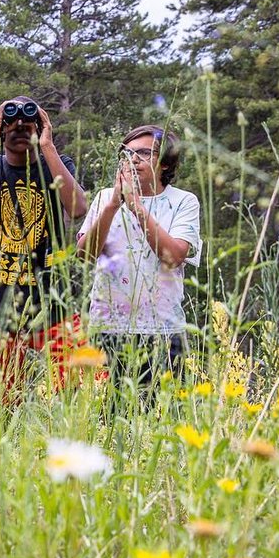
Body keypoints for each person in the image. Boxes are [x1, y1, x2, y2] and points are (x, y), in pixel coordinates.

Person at [0, 96, 89, 392]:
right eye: (12, 123)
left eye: (28, 123)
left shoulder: (56, 166)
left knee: (73, 393)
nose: (20, 127)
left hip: (53, 303)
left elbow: (78, 208)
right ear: (2, 128)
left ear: (40, 126)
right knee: (2, 400)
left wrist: (47, 145)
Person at [76, 125, 202, 385]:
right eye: (127, 153)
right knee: (106, 409)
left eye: (144, 153)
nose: (133, 159)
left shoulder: (184, 201)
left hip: (163, 331)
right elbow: (85, 255)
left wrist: (136, 206)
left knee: (161, 408)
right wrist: (113, 206)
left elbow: (173, 257)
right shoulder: (104, 198)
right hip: (107, 328)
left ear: (165, 163)